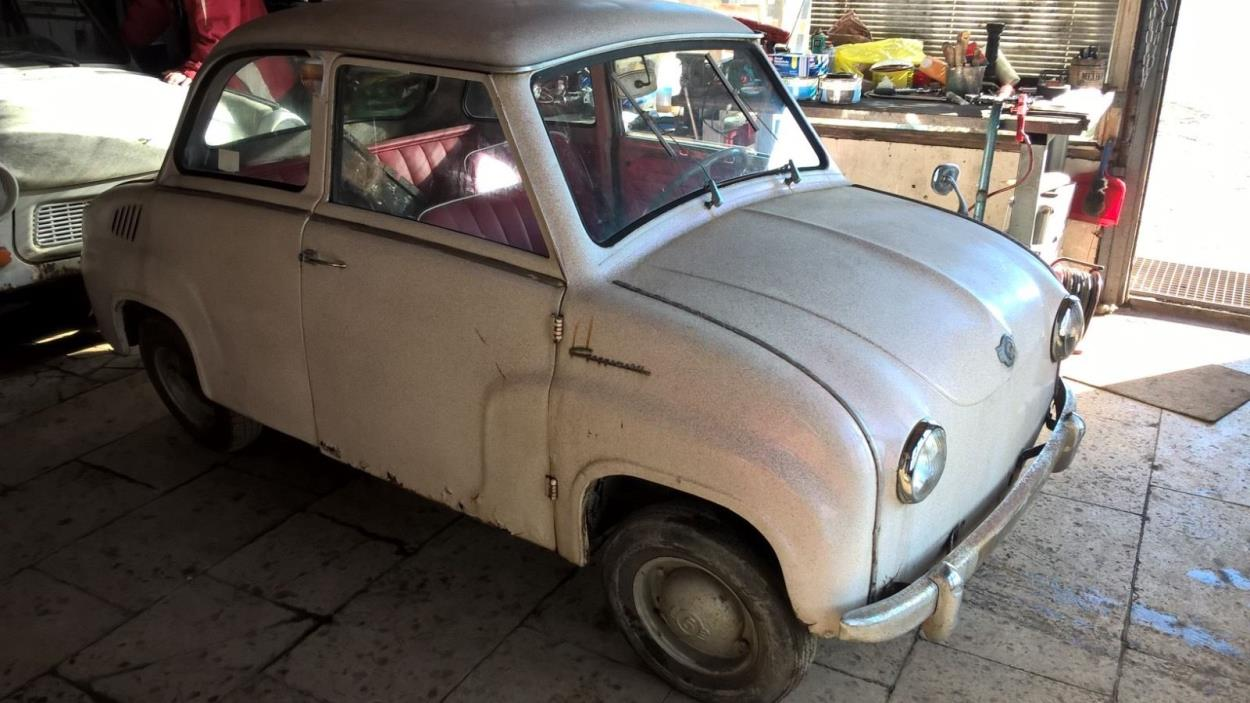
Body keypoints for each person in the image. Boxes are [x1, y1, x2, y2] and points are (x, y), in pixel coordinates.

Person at [121, 0, 267, 85]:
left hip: (251, 70)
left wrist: (196, 68)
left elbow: (217, 27)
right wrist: (118, 41)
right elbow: (149, 16)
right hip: (222, 66)